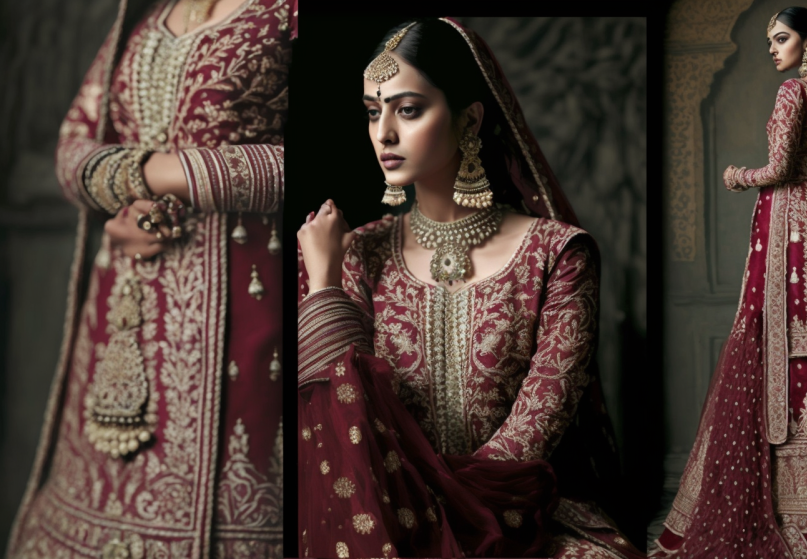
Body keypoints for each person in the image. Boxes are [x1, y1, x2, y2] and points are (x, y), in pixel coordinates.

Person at [296, 17, 643, 559]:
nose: (383, 132)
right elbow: (348, 427)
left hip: (519, 515)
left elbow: (534, 431)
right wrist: (321, 285)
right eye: (372, 111)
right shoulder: (356, 254)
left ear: (469, 119)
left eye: (407, 110)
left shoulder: (557, 255)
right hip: (387, 515)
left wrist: (453, 524)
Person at [5, 0, 294, 557]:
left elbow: (360, 146)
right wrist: (120, 193)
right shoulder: (145, 17)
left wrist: (163, 172)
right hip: (123, 313)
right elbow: (74, 142)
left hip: (252, 313)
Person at [649, 7, 807, 558]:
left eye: (782, 37)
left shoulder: (794, 92)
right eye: (769, 40)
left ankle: (798, 515)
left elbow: (779, 170)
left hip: (791, 232)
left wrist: (736, 177)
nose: (773, 48)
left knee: (787, 347)